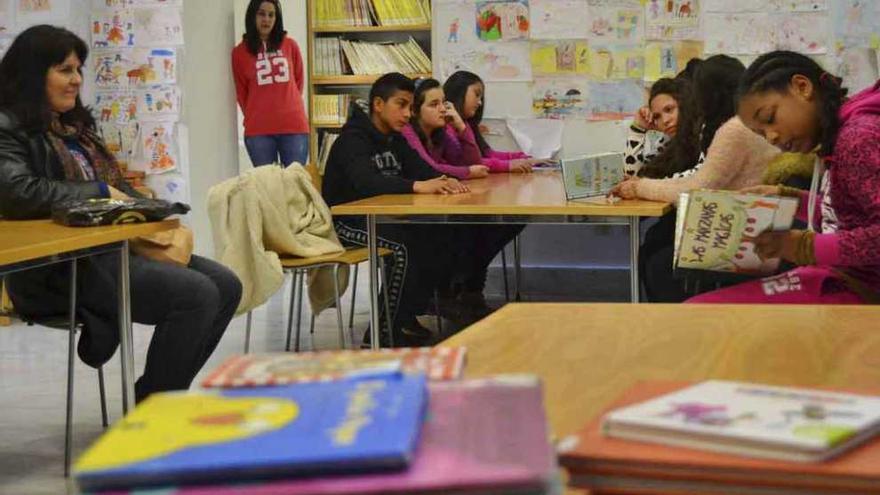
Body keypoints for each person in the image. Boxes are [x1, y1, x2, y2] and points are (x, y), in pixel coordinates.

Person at [0, 25, 242, 403]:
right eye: (64, 70)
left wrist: (159, 214)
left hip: (110, 252)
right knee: (195, 294)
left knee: (226, 284)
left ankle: (160, 397)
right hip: (57, 268)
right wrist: (98, 192)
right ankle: (155, 408)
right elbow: (18, 193)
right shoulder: (8, 128)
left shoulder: (75, 128)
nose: (76, 80)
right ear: (33, 72)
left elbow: (119, 188)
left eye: (79, 69)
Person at [689, 51, 880, 304]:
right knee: (701, 310)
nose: (771, 137)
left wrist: (802, 246)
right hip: (843, 277)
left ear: (802, 87)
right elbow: (850, 217)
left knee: (702, 312)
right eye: (761, 133)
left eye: (769, 119)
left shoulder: (857, 138)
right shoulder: (838, 136)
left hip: (862, 289)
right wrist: (789, 202)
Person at [611, 55, 780, 302]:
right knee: (655, 246)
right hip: (749, 225)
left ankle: (678, 328)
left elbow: (697, 189)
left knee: (659, 260)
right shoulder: (737, 124)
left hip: (744, 234)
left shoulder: (733, 130)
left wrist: (640, 187)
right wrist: (640, 183)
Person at [322, 73, 469, 347]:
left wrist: (444, 180)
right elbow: (367, 182)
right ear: (378, 104)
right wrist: (417, 186)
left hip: (382, 218)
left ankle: (405, 316)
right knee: (405, 247)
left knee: (439, 236)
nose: (407, 113)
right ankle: (382, 333)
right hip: (345, 223)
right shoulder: (352, 140)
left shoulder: (395, 138)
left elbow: (421, 169)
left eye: (410, 107)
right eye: (400, 105)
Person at [400, 77, 522, 319]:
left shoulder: (439, 133)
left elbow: (469, 160)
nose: (443, 109)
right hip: (411, 208)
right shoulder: (408, 133)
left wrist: (460, 127)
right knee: (467, 230)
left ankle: (463, 287)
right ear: (416, 109)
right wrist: (467, 172)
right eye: (434, 104)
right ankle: (451, 292)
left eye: (444, 103)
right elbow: (431, 167)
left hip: (438, 199)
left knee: (509, 221)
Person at [232, 0, 309, 167]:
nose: (266, 19)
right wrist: (258, 113)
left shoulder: (290, 45)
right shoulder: (239, 53)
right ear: (252, 16)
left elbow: (298, 81)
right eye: (261, 14)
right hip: (259, 131)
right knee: (267, 189)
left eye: (271, 14)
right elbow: (241, 93)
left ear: (277, 18)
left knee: (294, 187)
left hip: (293, 127)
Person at [443, 70, 544, 173]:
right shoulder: (447, 128)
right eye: (476, 94)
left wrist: (522, 158)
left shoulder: (466, 124)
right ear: (459, 92)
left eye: (481, 97)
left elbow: (487, 154)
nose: (479, 102)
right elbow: (468, 163)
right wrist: (508, 165)